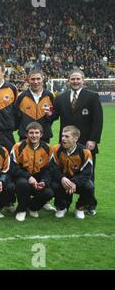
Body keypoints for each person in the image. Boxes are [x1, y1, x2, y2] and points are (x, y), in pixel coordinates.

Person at [52, 69, 103, 215]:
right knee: (64, 174)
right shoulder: (61, 97)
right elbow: (54, 115)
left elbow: (98, 120)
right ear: (68, 80)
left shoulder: (92, 97)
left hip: (87, 143)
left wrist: (93, 139)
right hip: (66, 144)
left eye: (78, 79)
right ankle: (63, 205)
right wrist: (49, 115)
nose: (75, 81)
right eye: (72, 79)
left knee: (88, 177)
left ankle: (87, 205)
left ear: (83, 80)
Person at [10, 122, 54, 221]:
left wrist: (44, 181)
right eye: (31, 133)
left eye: (36, 133)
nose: (34, 135)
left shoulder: (47, 148)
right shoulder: (18, 146)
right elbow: (13, 167)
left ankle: (32, 207)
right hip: (21, 177)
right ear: (26, 134)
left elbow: (48, 169)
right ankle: (21, 210)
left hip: (38, 178)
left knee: (49, 193)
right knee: (23, 184)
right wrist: (28, 177)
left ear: (41, 134)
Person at [50, 126, 96, 220]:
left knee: (89, 186)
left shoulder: (85, 152)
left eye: (67, 136)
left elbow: (86, 174)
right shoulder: (55, 149)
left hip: (77, 182)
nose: (63, 139)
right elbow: (53, 169)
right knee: (53, 185)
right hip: (62, 180)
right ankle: (62, 207)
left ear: (76, 138)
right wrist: (62, 178)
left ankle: (80, 207)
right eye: (62, 136)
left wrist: (74, 182)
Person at [15, 69, 55, 143]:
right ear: (28, 80)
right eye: (33, 79)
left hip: (44, 137)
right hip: (25, 137)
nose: (35, 82)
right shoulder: (21, 96)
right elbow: (16, 116)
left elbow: (53, 116)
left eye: (38, 79)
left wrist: (49, 116)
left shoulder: (50, 96)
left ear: (42, 79)